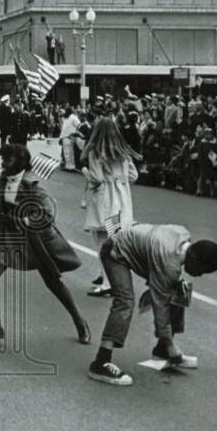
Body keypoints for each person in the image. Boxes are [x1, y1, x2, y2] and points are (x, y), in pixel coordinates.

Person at [0, 144, 91, 344]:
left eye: (7, 160)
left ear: (19, 162)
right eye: (2, 159)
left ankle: (80, 321)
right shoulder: (0, 180)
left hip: (33, 239)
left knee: (53, 281)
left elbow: (47, 214)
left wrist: (25, 219)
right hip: (6, 233)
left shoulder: (33, 185)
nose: (2, 163)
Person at [87, 223, 217, 386]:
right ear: (193, 257)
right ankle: (100, 363)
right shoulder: (168, 263)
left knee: (179, 291)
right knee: (125, 301)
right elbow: (161, 308)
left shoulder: (184, 235)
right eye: (202, 270)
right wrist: (172, 345)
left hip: (137, 241)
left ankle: (162, 350)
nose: (200, 275)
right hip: (114, 251)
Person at [81, 117, 140, 297]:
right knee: (114, 239)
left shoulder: (95, 152)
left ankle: (109, 282)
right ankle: (105, 275)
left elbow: (96, 178)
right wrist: (119, 180)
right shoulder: (123, 152)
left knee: (102, 242)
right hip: (121, 199)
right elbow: (133, 176)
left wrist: (84, 171)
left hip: (104, 200)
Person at [59, 105, 80, 171]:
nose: (63, 113)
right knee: (66, 153)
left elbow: (79, 126)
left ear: (68, 112)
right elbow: (64, 129)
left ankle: (71, 166)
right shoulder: (66, 118)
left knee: (70, 153)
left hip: (70, 137)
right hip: (65, 138)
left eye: (64, 112)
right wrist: (61, 138)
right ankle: (68, 166)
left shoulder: (73, 117)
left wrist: (75, 134)